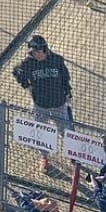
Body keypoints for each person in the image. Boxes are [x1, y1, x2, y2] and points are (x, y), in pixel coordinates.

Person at [12, 34, 72, 172]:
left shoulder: (57, 60)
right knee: (41, 131)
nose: (36, 55)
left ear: (45, 50)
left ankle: (72, 155)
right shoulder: (28, 63)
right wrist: (26, 85)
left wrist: (68, 93)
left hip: (58, 103)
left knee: (65, 130)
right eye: (33, 52)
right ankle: (44, 157)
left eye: (38, 52)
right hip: (40, 104)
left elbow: (65, 78)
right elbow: (16, 72)